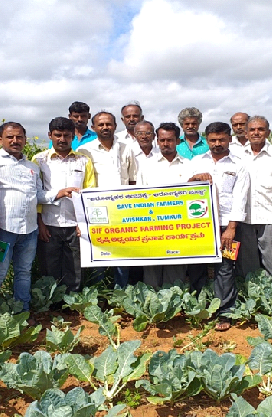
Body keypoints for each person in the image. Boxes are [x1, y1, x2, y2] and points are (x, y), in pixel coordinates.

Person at [0, 122, 77, 321]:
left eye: (19, 137)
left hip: (28, 231)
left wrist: (59, 193)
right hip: (2, 231)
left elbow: (37, 194)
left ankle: (22, 313)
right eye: (10, 137)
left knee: (24, 273)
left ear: (25, 139)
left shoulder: (31, 166)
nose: (15, 141)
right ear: (0, 139)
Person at [189, 122, 250, 331]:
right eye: (213, 140)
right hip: (199, 225)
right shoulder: (196, 161)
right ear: (206, 140)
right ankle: (200, 309)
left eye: (221, 139)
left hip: (226, 225)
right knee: (197, 266)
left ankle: (225, 312)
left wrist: (232, 228)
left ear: (229, 139)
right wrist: (194, 178)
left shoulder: (239, 165)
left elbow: (240, 198)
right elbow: (182, 190)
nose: (217, 144)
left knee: (224, 269)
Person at [33, 117, 96, 293]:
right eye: (57, 135)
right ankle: (50, 304)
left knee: (75, 267)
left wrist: (83, 223)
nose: (62, 139)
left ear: (73, 136)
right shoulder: (39, 160)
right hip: (49, 223)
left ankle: (72, 303)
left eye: (66, 135)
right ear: (50, 135)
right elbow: (36, 193)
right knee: (49, 266)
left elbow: (89, 194)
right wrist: (40, 223)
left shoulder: (84, 161)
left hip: (75, 224)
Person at [77, 111, 138, 288]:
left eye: (108, 124)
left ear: (115, 126)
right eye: (101, 124)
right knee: (99, 253)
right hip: (97, 209)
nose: (105, 127)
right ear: (93, 128)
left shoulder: (127, 147)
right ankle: (99, 293)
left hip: (123, 209)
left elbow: (132, 179)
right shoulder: (85, 150)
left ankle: (121, 293)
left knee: (122, 254)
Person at [236, 116, 272, 283]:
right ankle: (253, 299)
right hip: (245, 217)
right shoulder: (237, 155)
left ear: (268, 132)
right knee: (248, 262)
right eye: (252, 130)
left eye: (260, 129)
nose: (256, 133)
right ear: (246, 133)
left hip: (271, 216)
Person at [139, 122, 190, 288]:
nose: (165, 144)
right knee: (152, 267)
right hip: (153, 225)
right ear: (157, 141)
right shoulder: (146, 166)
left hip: (179, 226)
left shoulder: (189, 165)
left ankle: (174, 303)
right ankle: (151, 305)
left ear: (177, 141)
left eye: (170, 140)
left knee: (176, 266)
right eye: (162, 140)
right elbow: (139, 197)